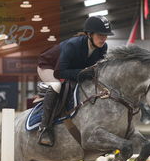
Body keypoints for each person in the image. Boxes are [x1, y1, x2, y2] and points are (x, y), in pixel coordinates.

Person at [36, 15, 114, 147]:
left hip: (71, 70)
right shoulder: (73, 45)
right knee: (56, 85)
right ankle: (44, 128)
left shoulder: (103, 47)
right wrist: (83, 72)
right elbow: (59, 72)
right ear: (89, 34)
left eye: (106, 35)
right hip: (48, 66)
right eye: (100, 35)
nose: (104, 38)